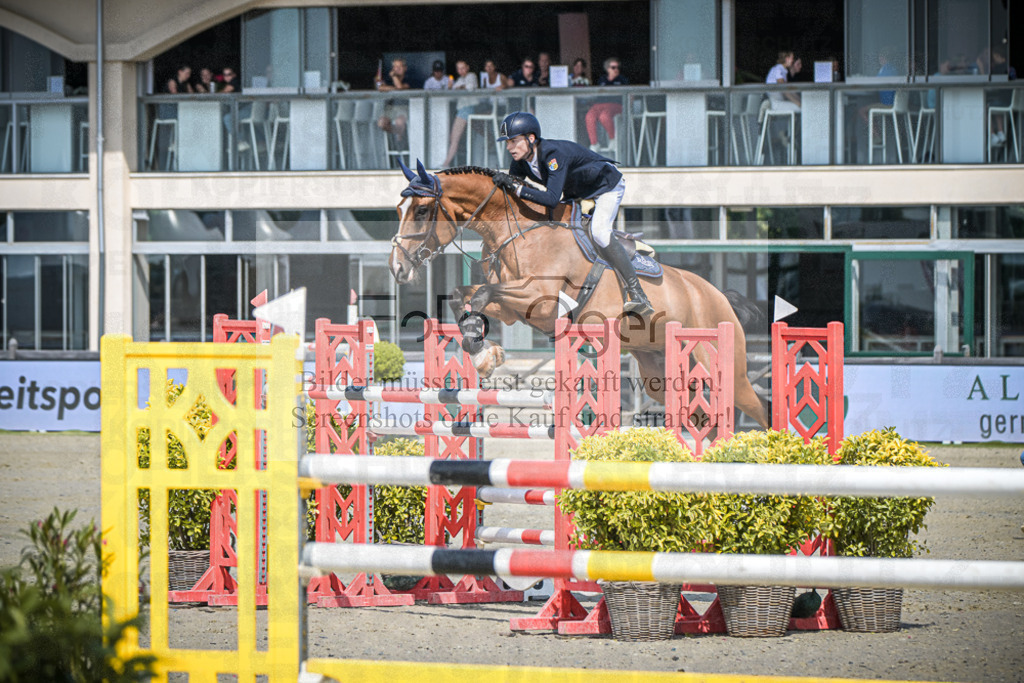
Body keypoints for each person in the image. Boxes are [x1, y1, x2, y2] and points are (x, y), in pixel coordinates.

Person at [492, 111, 653, 317]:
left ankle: (637, 293)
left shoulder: (552, 155)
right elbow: (513, 190)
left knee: (599, 233)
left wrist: (516, 188)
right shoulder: (521, 160)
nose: (509, 147)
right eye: (507, 142)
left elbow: (550, 198)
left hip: (605, 186)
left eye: (513, 141)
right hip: (576, 192)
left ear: (531, 138)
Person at [441, 60, 480, 167]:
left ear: (467, 67)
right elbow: (453, 95)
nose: (461, 71)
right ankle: (448, 163)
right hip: (461, 109)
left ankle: (445, 164)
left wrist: (457, 88)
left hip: (468, 108)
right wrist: (450, 87)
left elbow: (469, 88)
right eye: (459, 68)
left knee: (455, 138)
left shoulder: (471, 76)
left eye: (463, 68)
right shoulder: (459, 79)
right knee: (453, 137)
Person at [584, 58, 627, 152]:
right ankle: (594, 144)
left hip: (615, 105)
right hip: (599, 105)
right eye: (613, 67)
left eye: (617, 67)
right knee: (589, 116)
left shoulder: (622, 79)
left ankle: (613, 140)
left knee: (604, 116)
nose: (616, 69)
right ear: (608, 69)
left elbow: (629, 96)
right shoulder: (602, 80)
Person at [376, 58, 410, 145]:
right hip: (390, 108)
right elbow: (380, 88)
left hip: (403, 108)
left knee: (399, 122)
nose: (397, 69)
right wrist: (395, 89)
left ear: (405, 68)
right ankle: (398, 133)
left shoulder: (409, 78)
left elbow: (401, 87)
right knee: (381, 123)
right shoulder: (388, 79)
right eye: (395, 67)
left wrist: (394, 77)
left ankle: (400, 141)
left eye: (399, 66)